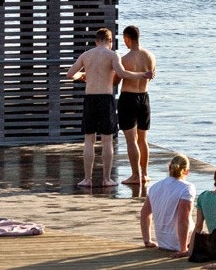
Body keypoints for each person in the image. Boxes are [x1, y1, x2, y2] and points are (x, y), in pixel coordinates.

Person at [66, 27, 154, 188]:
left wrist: (83, 75)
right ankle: (107, 179)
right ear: (110, 41)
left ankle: (87, 179)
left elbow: (70, 74)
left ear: (96, 41)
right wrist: (143, 74)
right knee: (107, 140)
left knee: (89, 139)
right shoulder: (113, 55)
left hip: (90, 98)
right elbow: (122, 73)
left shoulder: (86, 55)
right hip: (107, 99)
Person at [118, 24, 156, 187]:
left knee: (131, 140)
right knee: (143, 139)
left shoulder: (125, 59)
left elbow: (116, 79)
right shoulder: (150, 56)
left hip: (128, 98)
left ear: (127, 38)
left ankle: (135, 175)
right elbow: (151, 76)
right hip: (144, 98)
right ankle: (145, 174)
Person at [142, 154, 197, 258]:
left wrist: (147, 240)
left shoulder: (155, 186)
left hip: (163, 242)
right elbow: (183, 220)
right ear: (186, 171)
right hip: (180, 243)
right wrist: (183, 249)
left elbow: (144, 213)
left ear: (169, 168)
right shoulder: (187, 188)